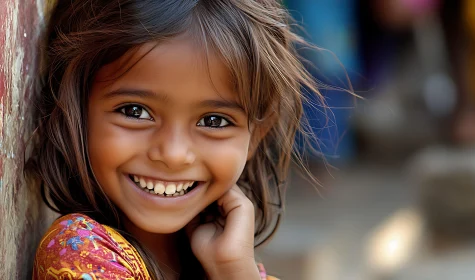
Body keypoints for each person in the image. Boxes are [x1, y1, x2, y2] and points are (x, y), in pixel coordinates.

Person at [27, 0, 323, 279]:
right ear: (73, 109)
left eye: (213, 121)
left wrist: (233, 270)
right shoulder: (79, 252)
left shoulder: (233, 263)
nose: (173, 154)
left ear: (256, 135)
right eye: (135, 111)